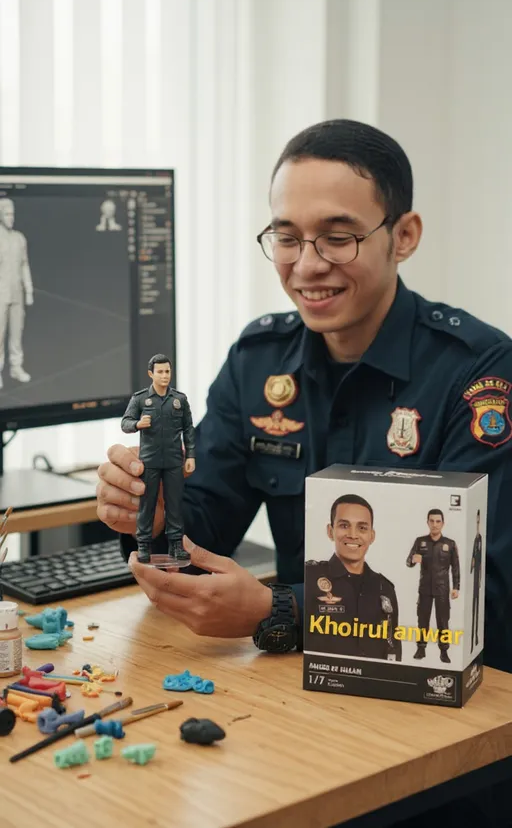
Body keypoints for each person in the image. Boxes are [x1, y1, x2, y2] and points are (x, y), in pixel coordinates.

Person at [96, 118, 512, 676]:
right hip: (299, 682)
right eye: (287, 238)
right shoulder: (258, 361)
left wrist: (281, 610)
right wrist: (152, 515)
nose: (308, 266)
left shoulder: (480, 372)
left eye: (338, 238)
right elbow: (202, 538)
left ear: (404, 236)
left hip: (439, 690)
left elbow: (483, 596)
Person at [305, 494, 401, 661]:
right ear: (330, 531)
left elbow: (393, 647)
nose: (353, 535)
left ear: (372, 536)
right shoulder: (310, 577)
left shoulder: (384, 588)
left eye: (362, 528)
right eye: (344, 525)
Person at [120, 354, 195, 565]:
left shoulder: (179, 400)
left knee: (174, 505)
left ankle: (176, 544)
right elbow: (125, 422)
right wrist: (137, 424)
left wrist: (191, 455)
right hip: (150, 461)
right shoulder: (140, 399)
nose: (164, 376)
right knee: (147, 504)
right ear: (151, 374)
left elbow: (189, 429)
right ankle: (144, 545)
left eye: (167, 371)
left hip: (173, 461)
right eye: (160, 372)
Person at [406, 509, 460, 664]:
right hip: (425, 588)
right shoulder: (420, 541)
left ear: (443, 523)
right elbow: (408, 562)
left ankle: (444, 651)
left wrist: (456, 587)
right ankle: (421, 648)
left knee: (443, 621)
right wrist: (413, 560)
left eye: (438, 521)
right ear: (427, 522)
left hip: (442, 588)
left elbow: (455, 567)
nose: (435, 524)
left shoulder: (449, 544)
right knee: (422, 619)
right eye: (432, 521)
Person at [0, 198, 33, 388]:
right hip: (1, 293)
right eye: (6, 214)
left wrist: (28, 290)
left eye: (12, 214)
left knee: (16, 332)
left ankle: (16, 366)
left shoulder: (19, 238)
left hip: (17, 293)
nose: (10, 218)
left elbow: (24, 265)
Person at [471, 508, 483, 653]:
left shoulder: (480, 538)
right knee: (473, 607)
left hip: (477, 577)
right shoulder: (475, 539)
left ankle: (476, 637)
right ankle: (473, 638)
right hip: (473, 577)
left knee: (477, 606)